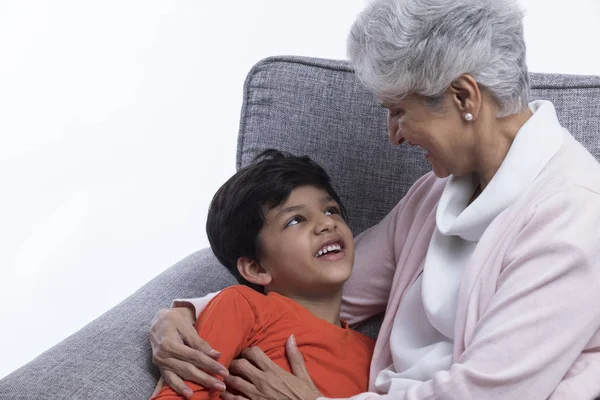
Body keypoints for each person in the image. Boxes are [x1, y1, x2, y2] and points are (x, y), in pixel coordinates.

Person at [149, 0, 600, 398]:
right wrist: (186, 317)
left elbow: (489, 392)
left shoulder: (574, 214)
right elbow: (318, 287)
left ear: (464, 97)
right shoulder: (434, 194)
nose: (394, 135)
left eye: (400, 111)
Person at [150, 150, 375, 399]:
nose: (327, 223)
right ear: (256, 269)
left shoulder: (376, 353)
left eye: (331, 210)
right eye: (295, 220)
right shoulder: (242, 306)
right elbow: (182, 393)